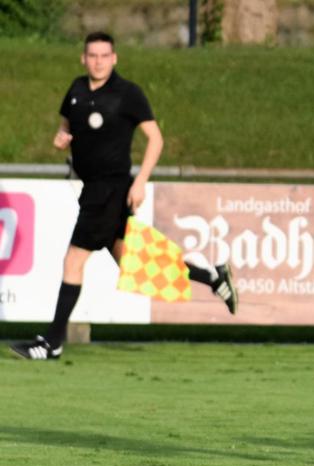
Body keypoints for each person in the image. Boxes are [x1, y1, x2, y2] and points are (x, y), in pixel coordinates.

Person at [10, 32, 237, 361]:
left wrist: (140, 181)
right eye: (92, 55)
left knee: (73, 260)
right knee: (136, 262)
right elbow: (65, 128)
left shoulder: (127, 94)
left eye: (104, 55)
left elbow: (155, 139)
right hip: (93, 189)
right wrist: (61, 139)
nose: (98, 61)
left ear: (114, 58)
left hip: (111, 189)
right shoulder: (75, 90)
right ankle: (212, 277)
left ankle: (52, 342)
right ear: (83, 58)